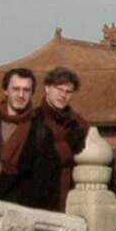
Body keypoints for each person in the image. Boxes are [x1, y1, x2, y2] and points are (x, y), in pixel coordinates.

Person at [0, 67, 59, 210]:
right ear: (5, 91)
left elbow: (46, 181)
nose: (21, 95)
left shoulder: (42, 133)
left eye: (26, 90)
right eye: (16, 89)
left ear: (32, 93)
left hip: (19, 209)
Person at [39, 67, 90, 209]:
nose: (63, 95)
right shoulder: (34, 119)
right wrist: (67, 146)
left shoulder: (80, 124)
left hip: (69, 193)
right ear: (47, 88)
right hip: (39, 191)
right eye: (59, 89)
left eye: (68, 92)